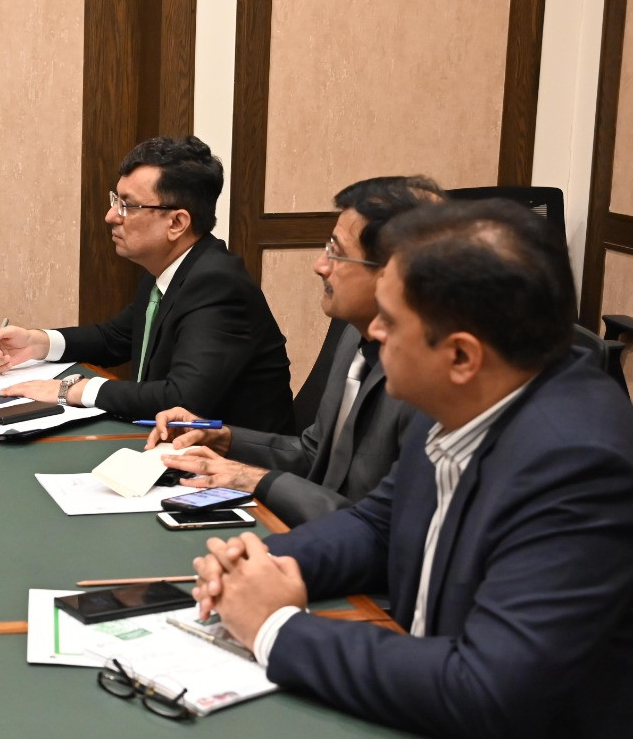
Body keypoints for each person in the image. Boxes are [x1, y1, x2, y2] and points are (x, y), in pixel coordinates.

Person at [191, 199, 633, 739]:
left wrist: (275, 627)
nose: (370, 332)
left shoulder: (577, 459)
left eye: (390, 323)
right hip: (431, 732)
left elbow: (489, 690)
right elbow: (378, 524)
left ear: (460, 355)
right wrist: (255, 560)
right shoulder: (463, 394)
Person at [146, 176, 441, 526]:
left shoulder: (428, 379)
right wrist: (224, 439)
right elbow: (318, 454)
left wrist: (252, 478)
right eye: (327, 246)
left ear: (394, 273)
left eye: (338, 253)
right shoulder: (352, 335)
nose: (320, 265)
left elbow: (381, 526)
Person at [0, 136, 293, 432]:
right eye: (116, 199)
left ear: (176, 223)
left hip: (236, 471)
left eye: (128, 205)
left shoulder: (218, 286)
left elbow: (181, 398)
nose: (110, 216)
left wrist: (73, 389)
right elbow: (114, 337)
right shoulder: (169, 268)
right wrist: (37, 343)